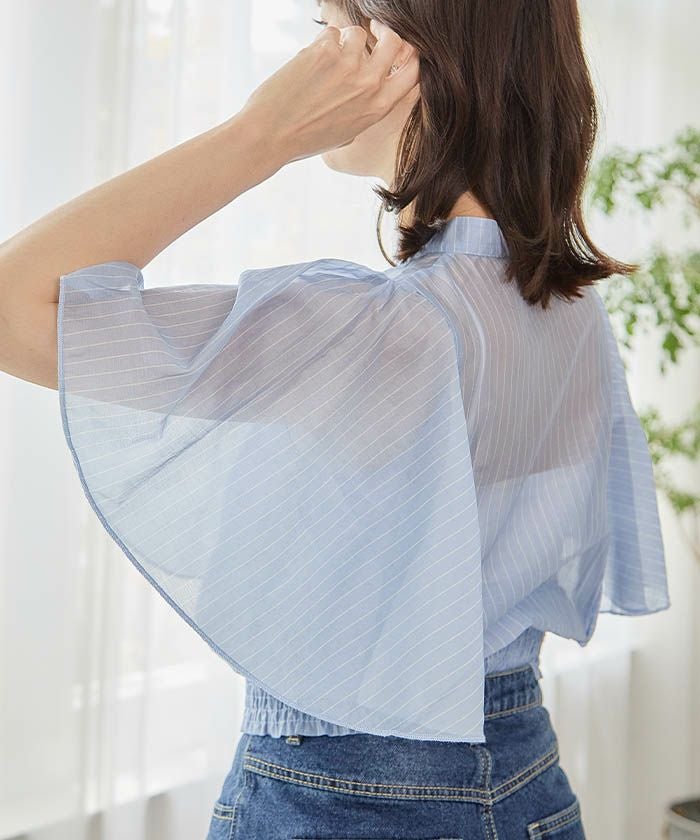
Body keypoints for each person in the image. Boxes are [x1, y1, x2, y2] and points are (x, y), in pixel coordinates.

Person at [0, 2, 670, 838]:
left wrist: (259, 135)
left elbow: (13, 305)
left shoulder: (382, 329)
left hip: (348, 797)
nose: (311, 55)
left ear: (410, 52)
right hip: (526, 776)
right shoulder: (565, 310)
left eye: (331, 28)